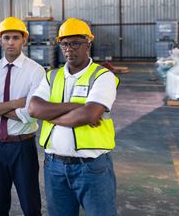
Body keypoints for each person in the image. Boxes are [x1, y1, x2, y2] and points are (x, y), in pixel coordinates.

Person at [28, 18, 119, 216]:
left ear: (88, 44)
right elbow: (34, 109)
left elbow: (88, 114)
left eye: (76, 43)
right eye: (65, 43)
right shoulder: (52, 76)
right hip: (54, 166)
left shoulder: (103, 76)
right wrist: (74, 106)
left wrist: (51, 115)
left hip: (91, 168)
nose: (69, 48)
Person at [0, 17, 44, 216]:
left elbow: (30, 115)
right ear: (0, 41)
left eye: (16, 37)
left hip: (23, 146)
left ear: (24, 40)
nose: (11, 42)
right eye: (6, 38)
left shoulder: (36, 71)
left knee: (30, 204)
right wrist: (16, 104)